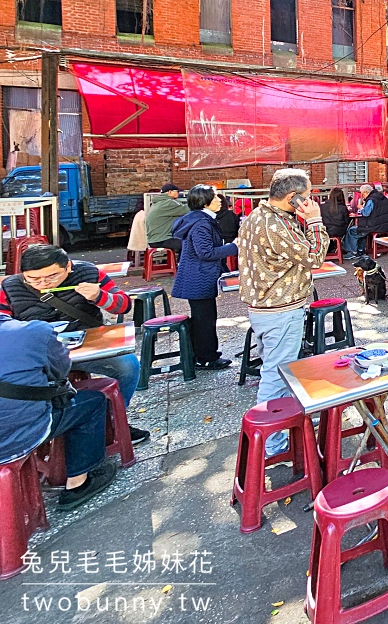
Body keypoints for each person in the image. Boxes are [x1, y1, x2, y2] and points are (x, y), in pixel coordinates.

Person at [0, 244, 149, 445]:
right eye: (33, 279)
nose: (43, 283)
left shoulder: (88, 273)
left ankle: (113, 422)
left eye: (52, 276)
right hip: (41, 354)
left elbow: (124, 305)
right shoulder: (9, 287)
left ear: (68, 267)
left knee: (128, 366)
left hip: (89, 345)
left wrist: (99, 296)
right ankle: (50, 428)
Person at [235, 169, 328, 455]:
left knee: (279, 370)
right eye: (308, 195)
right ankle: (272, 443)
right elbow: (315, 257)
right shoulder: (275, 225)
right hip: (280, 310)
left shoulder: (256, 217)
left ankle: (285, 426)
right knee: (277, 375)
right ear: (293, 197)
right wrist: (314, 221)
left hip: (265, 307)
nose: (311, 200)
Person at [0, 317, 119, 509]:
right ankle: (78, 484)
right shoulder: (34, 331)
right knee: (93, 402)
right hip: (16, 438)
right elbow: (60, 371)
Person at [172, 185, 239, 370]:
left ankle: (202, 355)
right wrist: (235, 246)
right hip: (199, 277)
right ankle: (206, 357)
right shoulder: (201, 223)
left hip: (198, 276)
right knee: (204, 320)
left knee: (204, 318)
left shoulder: (198, 219)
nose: (220, 200)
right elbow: (205, 252)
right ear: (205, 201)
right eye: (216, 197)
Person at [345, 183, 388, 255]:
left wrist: (361, 208)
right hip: (385, 225)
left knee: (353, 230)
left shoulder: (371, 200)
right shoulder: (382, 197)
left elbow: (366, 213)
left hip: (375, 225)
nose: (362, 196)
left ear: (366, 192)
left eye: (362, 194)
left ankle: (352, 252)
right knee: (361, 229)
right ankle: (361, 250)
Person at [145, 183, 187, 254]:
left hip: (154, 240)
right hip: (163, 240)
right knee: (190, 244)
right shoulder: (169, 203)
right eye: (177, 191)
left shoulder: (157, 203)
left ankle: (178, 262)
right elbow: (188, 209)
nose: (178, 193)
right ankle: (183, 264)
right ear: (170, 192)